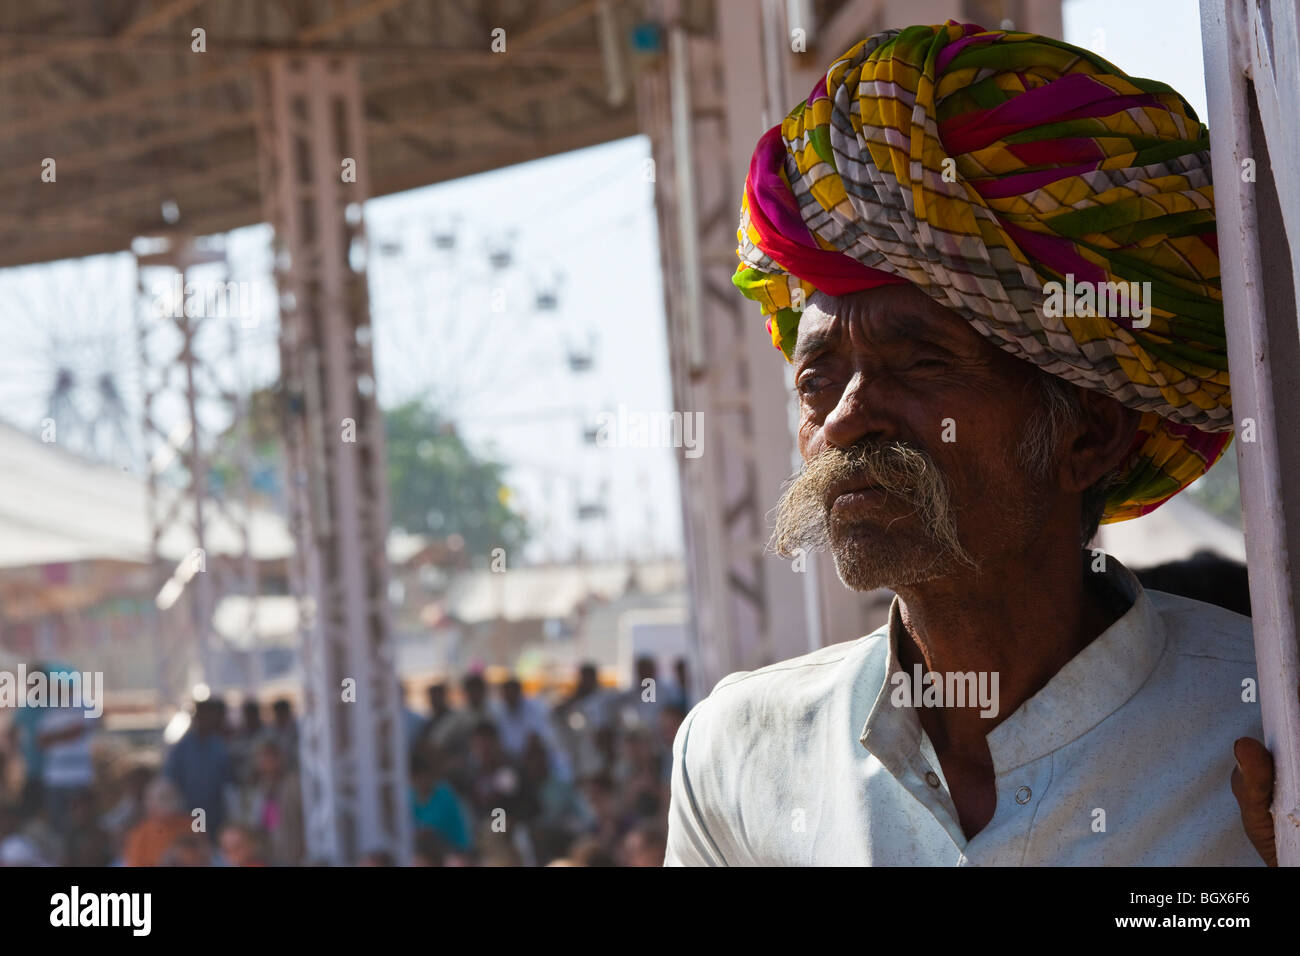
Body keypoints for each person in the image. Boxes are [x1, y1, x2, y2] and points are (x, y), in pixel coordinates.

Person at [667, 21, 1266, 866]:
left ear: (1088, 433)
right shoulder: (738, 755)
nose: (844, 420)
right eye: (818, 380)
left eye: (921, 364)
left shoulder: (1267, 732)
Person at [164, 699, 233, 838]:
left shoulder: (219, 745)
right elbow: (170, 778)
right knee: (194, 842)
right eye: (204, 716)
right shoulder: (183, 746)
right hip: (189, 808)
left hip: (216, 809)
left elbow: (228, 777)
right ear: (197, 717)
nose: (207, 720)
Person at [122, 778, 193, 867]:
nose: (171, 803)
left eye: (172, 796)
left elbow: (205, 857)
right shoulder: (139, 836)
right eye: (163, 798)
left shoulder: (189, 826)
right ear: (150, 803)